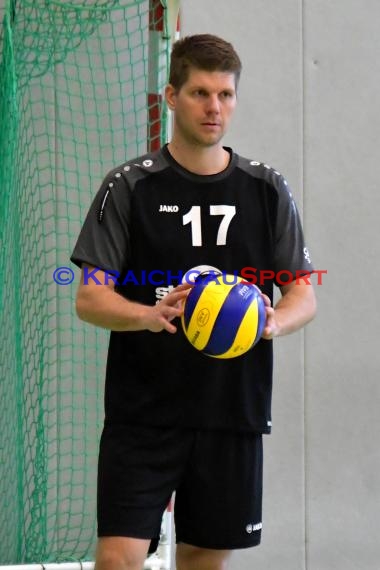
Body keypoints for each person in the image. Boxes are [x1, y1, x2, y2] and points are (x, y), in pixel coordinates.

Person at [71, 34, 316, 570]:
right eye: (201, 92)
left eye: (225, 95)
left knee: (203, 561)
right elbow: (89, 299)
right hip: (144, 414)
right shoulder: (130, 187)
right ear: (171, 96)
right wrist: (150, 315)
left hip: (231, 411)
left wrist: (271, 323)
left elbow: (303, 292)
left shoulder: (266, 188)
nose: (214, 107)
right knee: (118, 560)